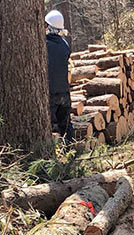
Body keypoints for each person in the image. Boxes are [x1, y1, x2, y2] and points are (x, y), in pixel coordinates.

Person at [45, 10, 74, 144]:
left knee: (46, 127)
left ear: (48, 27)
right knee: (66, 125)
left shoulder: (43, 45)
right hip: (64, 92)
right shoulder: (65, 45)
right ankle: (71, 151)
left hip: (49, 93)